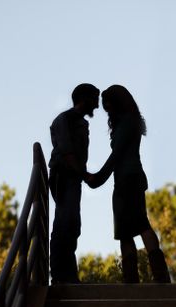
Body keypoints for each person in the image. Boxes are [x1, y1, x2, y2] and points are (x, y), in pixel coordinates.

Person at [85, 85, 171, 283]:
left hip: (128, 179)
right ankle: (137, 279)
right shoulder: (128, 122)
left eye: (109, 105)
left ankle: (155, 278)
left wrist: (98, 178)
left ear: (118, 102)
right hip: (126, 179)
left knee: (139, 224)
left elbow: (117, 155)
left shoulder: (127, 123)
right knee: (126, 230)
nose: (107, 109)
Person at [49, 83, 100, 284]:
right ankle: (61, 276)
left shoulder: (81, 123)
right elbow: (67, 151)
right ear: (84, 98)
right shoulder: (65, 120)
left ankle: (69, 275)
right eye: (94, 99)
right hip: (64, 175)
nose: (97, 105)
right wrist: (85, 174)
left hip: (74, 179)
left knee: (72, 224)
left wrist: (81, 175)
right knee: (65, 222)